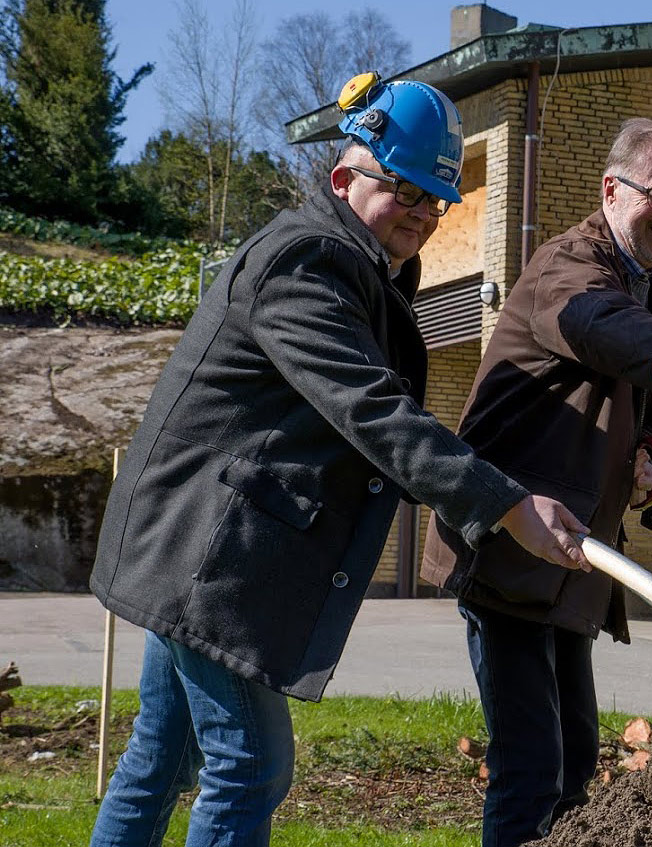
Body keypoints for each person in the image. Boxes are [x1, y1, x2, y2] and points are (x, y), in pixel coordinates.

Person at [88, 74, 592, 847]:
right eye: (407, 191)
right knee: (249, 764)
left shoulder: (361, 268)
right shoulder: (306, 264)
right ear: (342, 177)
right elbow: (372, 411)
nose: (424, 215)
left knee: (161, 756)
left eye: (437, 201)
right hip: (205, 550)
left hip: (198, 542)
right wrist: (507, 505)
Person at [420, 117, 652, 847]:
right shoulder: (571, 271)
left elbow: (644, 399)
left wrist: (647, 452)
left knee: (577, 757)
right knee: (532, 764)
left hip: (572, 562)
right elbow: (609, 333)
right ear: (611, 190)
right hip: (511, 545)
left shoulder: (648, 289)